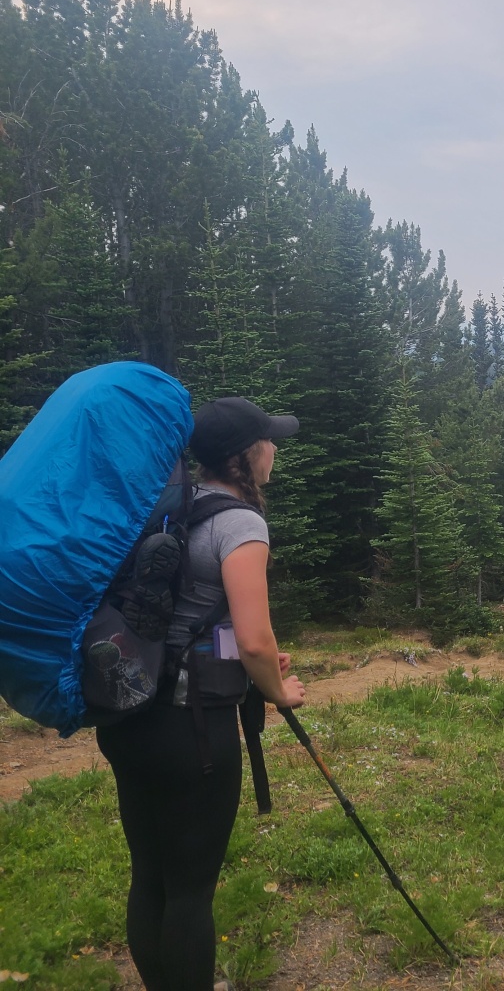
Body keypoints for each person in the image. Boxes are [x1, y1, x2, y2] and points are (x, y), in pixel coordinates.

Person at [97, 397, 307, 991]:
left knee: (151, 878)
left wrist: (244, 660)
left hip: (130, 715)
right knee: (191, 891)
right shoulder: (241, 523)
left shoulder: (172, 510)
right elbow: (256, 640)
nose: (274, 451)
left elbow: (193, 622)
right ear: (246, 457)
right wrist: (277, 688)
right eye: (268, 442)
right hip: (193, 734)